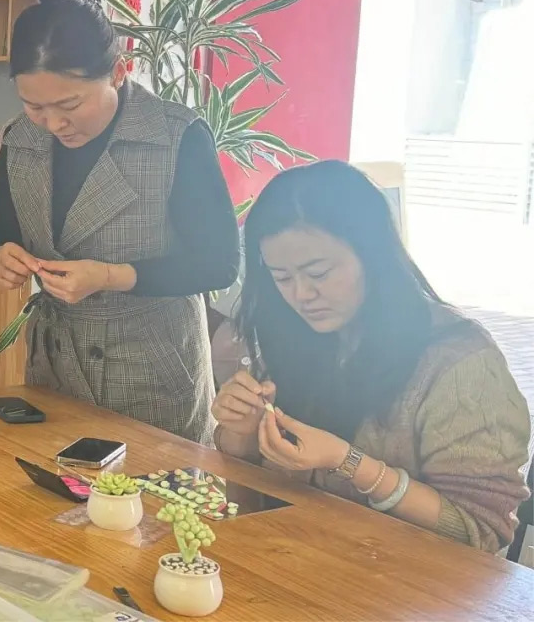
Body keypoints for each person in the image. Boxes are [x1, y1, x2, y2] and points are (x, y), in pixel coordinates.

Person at [0, 0, 239, 443]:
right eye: (34, 106)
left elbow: (219, 263)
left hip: (151, 369)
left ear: (119, 72)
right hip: (55, 366)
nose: (53, 123)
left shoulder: (174, 137)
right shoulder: (21, 140)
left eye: (70, 105)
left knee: (152, 488)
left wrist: (110, 276)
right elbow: (0, 232)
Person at [213, 161, 530, 552]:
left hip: (407, 579)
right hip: (299, 556)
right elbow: (250, 498)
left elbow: (480, 532)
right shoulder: (293, 332)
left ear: (373, 256)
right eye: (282, 277)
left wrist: (346, 461)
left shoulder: (460, 363)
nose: (301, 295)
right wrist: (243, 432)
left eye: (319, 273)